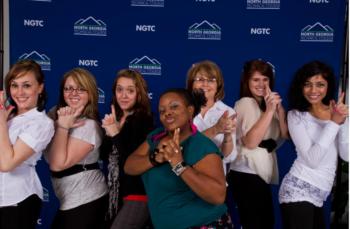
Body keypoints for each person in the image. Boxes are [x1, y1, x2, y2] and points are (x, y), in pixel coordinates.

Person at [125, 88, 233, 229]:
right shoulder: (156, 137)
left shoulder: (201, 145)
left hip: (205, 224)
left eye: (174, 107)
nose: (167, 113)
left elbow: (218, 196)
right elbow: (129, 167)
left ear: (190, 111)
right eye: (162, 110)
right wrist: (155, 159)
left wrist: (179, 165)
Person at [279, 60, 348, 229]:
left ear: (328, 86)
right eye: (308, 84)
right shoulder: (296, 115)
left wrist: (343, 122)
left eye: (320, 84)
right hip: (298, 191)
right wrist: (333, 123)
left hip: (318, 194)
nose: (313, 90)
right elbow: (312, 160)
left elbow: (346, 155)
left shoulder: (337, 113)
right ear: (300, 87)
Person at [227, 59, 289, 229]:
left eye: (265, 79)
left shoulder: (267, 104)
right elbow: (251, 142)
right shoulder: (245, 103)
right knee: (255, 223)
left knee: (265, 222)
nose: (261, 84)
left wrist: (279, 109)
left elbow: (284, 134)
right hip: (246, 172)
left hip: (261, 171)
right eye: (256, 80)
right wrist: (270, 111)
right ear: (247, 82)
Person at [46, 68, 108, 229]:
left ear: (91, 93)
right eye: (68, 88)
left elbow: (57, 164)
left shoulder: (88, 125)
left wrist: (62, 128)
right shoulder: (55, 113)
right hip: (68, 199)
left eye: (81, 89)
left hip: (87, 199)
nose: (73, 93)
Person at [0, 60, 54, 229]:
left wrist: (1, 123)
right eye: (14, 85)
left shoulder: (41, 123)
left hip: (16, 200)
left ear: (40, 87)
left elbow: (7, 163)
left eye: (27, 85)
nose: (19, 92)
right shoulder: (9, 117)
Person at [101, 69, 154, 228]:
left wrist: (116, 135)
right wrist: (110, 133)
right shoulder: (116, 118)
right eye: (120, 89)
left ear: (139, 94)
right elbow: (104, 156)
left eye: (130, 90)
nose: (123, 95)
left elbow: (133, 163)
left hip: (138, 194)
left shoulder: (143, 121)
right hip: (116, 194)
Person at [186, 60, 237, 174]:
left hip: (214, 178)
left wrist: (228, 136)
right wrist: (216, 129)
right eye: (200, 80)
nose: (205, 84)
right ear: (191, 84)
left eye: (211, 80)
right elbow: (184, 148)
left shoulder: (227, 112)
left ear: (218, 85)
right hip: (186, 177)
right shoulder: (182, 110)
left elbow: (228, 157)